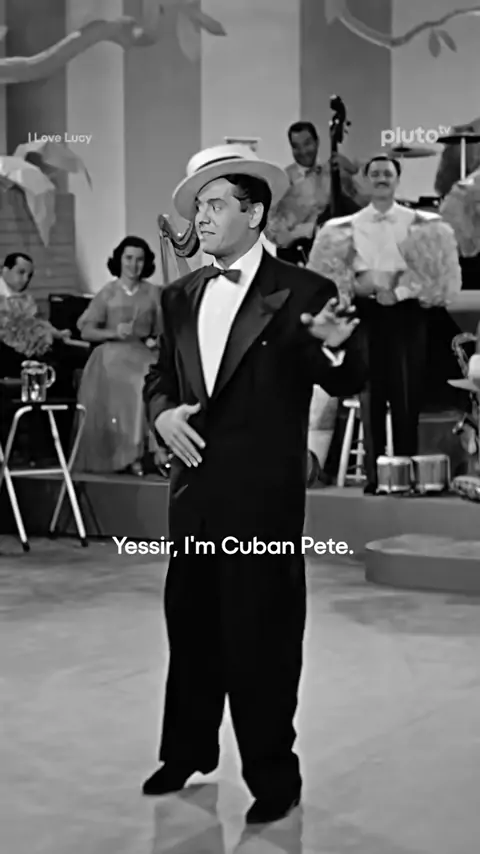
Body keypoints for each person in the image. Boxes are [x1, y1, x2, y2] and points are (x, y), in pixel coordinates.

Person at [142, 143, 366, 824]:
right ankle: (186, 750)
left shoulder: (303, 292)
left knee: (263, 639)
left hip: (263, 503)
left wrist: (335, 345)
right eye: (199, 208)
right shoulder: (178, 296)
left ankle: (273, 775)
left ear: (256, 213)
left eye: (215, 205)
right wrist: (163, 416)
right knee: (191, 631)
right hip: (192, 499)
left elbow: (345, 378)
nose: (203, 219)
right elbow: (160, 379)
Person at [307, 153, 462, 493]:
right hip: (366, 314)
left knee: (407, 393)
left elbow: (432, 275)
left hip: (407, 313)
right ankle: (376, 477)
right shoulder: (345, 226)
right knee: (370, 395)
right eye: (374, 173)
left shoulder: (420, 224)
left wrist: (401, 292)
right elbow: (334, 276)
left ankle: (404, 473)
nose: (381, 178)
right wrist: (354, 288)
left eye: (387, 173)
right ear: (365, 180)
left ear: (396, 180)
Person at [75, 236, 163, 475]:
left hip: (142, 352)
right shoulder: (108, 293)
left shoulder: (153, 293)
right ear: (119, 260)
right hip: (111, 355)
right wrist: (114, 332)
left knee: (153, 380)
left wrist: (154, 339)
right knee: (136, 384)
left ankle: (156, 452)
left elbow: (162, 329)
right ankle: (129, 454)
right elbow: (86, 330)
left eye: (139, 260)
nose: (134, 265)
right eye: (129, 258)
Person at [265, 121, 366, 264]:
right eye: (296, 146)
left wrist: (353, 171)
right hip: (296, 257)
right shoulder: (283, 180)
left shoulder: (331, 175)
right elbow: (272, 231)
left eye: (307, 144)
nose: (303, 151)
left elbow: (363, 203)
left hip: (332, 256)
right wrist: (306, 230)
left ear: (317, 142)